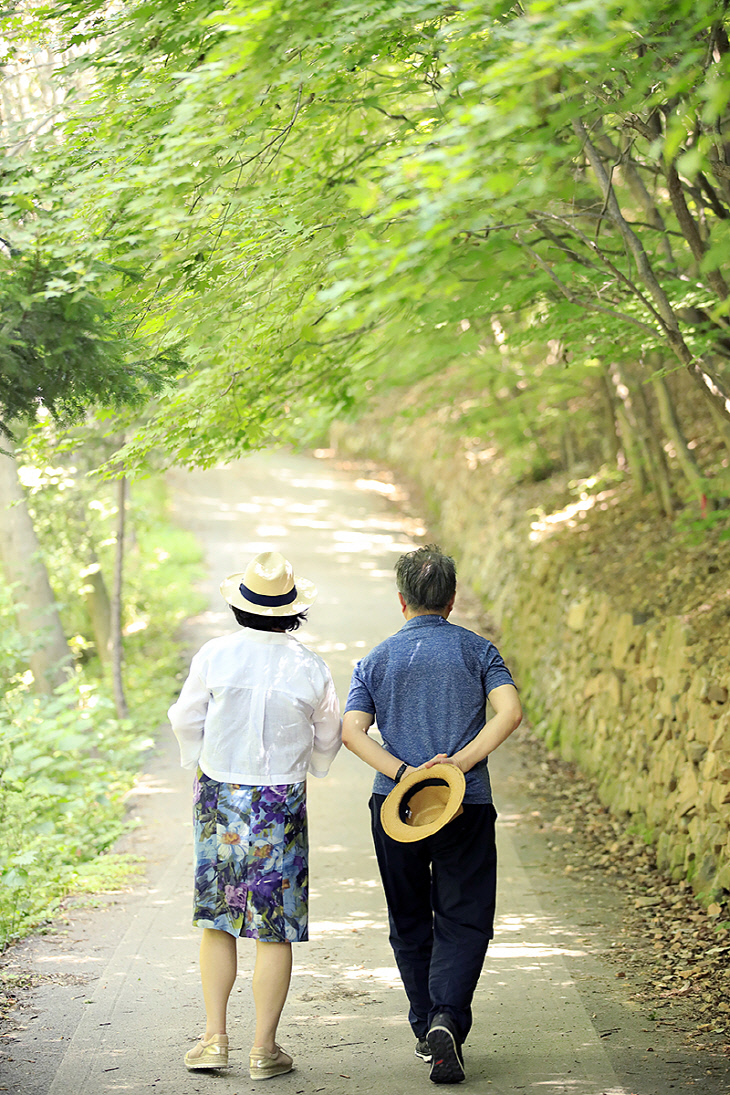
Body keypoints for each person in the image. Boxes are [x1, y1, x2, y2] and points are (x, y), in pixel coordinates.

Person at [342, 545, 522, 1085]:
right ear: (451, 599)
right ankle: (447, 1016)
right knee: (464, 916)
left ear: (401, 601)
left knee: (410, 917)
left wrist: (403, 774)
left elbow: (352, 731)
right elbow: (509, 712)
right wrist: (459, 765)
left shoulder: (375, 660)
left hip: (397, 808)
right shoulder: (478, 651)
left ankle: (426, 1024)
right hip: (463, 802)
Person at [169, 551, 341, 1079]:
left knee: (220, 920)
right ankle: (264, 1048)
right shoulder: (309, 666)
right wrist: (308, 761)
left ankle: (214, 1038)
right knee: (275, 926)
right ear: (293, 610)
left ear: (241, 606)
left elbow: (185, 717)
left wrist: (199, 757)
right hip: (280, 802)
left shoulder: (216, 655)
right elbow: (329, 734)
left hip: (220, 794)